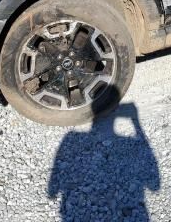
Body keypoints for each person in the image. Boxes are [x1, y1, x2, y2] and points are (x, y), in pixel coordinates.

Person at [48, 87, 160, 221]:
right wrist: (136, 124)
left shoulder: (70, 137)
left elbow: (154, 185)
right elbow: (154, 185)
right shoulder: (71, 137)